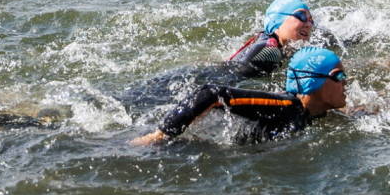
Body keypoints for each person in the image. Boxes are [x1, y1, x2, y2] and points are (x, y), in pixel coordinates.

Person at [115, 0, 320, 115]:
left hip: (202, 74)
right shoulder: (271, 52)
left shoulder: (265, 40)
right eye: (301, 16)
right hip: (204, 80)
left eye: (311, 20)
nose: (308, 24)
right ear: (278, 20)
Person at [129, 47, 351, 146]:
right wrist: (159, 136)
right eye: (339, 75)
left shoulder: (314, 111)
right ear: (316, 82)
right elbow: (211, 93)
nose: (346, 81)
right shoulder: (284, 105)